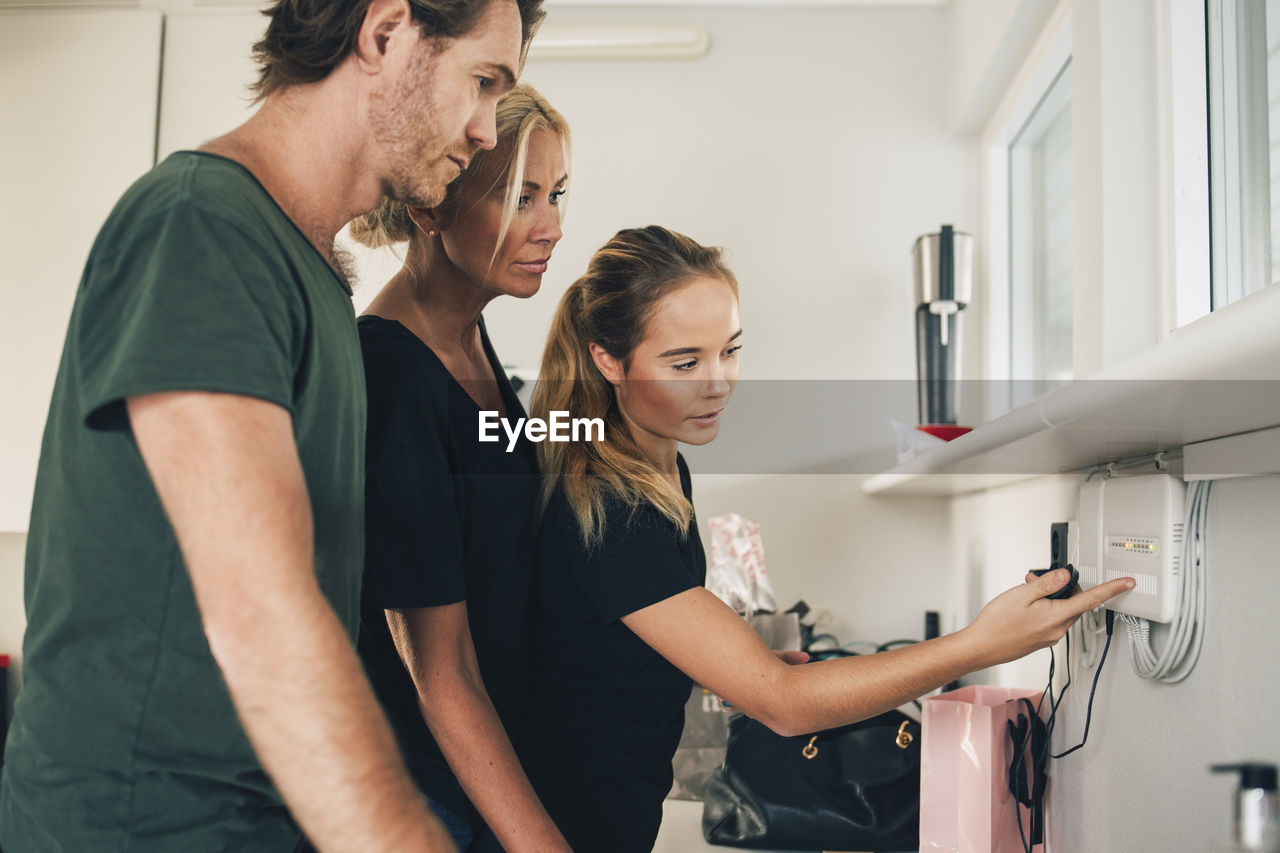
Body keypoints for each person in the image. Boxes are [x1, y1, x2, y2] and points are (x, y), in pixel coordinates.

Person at [0, 1, 545, 851]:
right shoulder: (203, 225)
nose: (485, 131)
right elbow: (261, 610)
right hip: (144, 828)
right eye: (482, 82)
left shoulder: (318, 275)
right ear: (385, 31)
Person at [518, 225, 1137, 852]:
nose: (719, 382)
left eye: (730, 350)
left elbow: (592, 642)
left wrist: (720, 666)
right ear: (608, 361)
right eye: (685, 363)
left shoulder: (660, 468)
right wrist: (979, 645)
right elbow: (785, 705)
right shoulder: (608, 504)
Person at [348, 83, 571, 852]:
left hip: (479, 780)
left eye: (556, 194)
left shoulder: (472, 344)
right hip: (421, 802)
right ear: (429, 205)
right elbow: (437, 670)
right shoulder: (392, 374)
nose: (550, 227)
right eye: (520, 197)